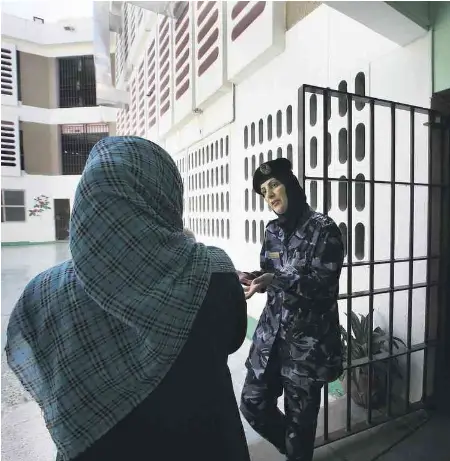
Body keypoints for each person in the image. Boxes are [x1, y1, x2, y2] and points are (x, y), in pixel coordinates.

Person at [4, 136, 250, 461]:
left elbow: (38, 362)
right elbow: (233, 339)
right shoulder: (213, 270)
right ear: (164, 194)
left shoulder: (40, 294)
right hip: (205, 445)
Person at [239, 158, 345, 461]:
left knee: (300, 426)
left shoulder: (323, 229)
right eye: (264, 191)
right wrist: (250, 277)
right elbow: (269, 273)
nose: (270, 194)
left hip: (306, 348)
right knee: (252, 403)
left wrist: (276, 279)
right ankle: (295, 450)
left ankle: (298, 451)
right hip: (269, 341)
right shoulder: (272, 231)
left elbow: (324, 286)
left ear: (290, 185)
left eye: (274, 185)